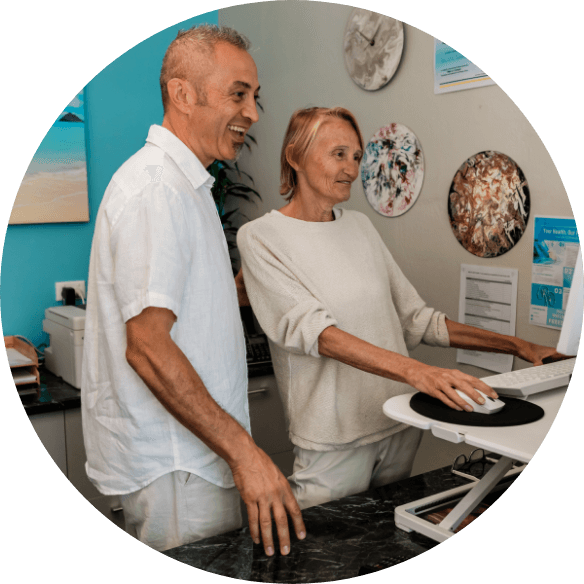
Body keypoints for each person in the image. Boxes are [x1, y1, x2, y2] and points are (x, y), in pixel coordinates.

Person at [236, 106, 568, 510]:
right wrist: (420, 372)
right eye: (338, 154)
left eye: (356, 156)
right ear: (295, 156)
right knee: (325, 559)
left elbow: (416, 319)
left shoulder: (359, 226)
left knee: (385, 545)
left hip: (398, 421)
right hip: (335, 440)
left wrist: (520, 346)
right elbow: (317, 335)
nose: (352, 169)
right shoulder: (261, 236)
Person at [81, 24, 305, 556]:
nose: (252, 112)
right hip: (178, 466)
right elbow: (149, 347)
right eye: (238, 94)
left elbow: (175, 309)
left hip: (192, 459)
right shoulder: (157, 189)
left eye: (254, 97)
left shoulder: (188, 184)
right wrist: (246, 454)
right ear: (182, 94)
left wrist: (232, 293)